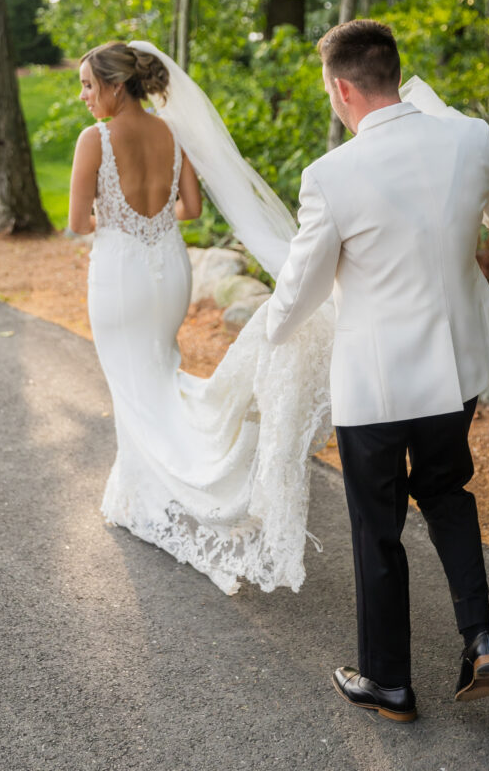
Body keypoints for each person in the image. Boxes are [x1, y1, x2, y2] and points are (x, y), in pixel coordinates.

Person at [266, 19, 489, 722]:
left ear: (343, 88)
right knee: (444, 490)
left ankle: (390, 684)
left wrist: (269, 338)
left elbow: (303, 287)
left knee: (377, 525)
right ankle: (479, 636)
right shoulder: (470, 136)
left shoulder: (332, 174)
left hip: (376, 385)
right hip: (454, 371)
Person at [68, 40, 335, 596]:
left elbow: (77, 222)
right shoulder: (171, 133)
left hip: (120, 276)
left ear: (116, 87)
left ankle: (177, 488)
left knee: (133, 383)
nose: (84, 96)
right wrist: (150, 213)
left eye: (89, 85)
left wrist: (114, 214)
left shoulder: (93, 141)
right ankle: (142, 486)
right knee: (156, 374)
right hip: (169, 268)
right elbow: (188, 209)